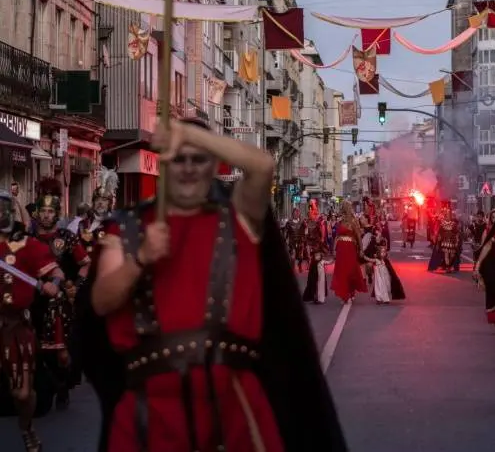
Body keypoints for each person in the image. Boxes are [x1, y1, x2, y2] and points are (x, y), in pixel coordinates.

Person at [73, 118, 346, 452]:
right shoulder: (128, 228)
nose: (188, 168)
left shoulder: (239, 217)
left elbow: (262, 166)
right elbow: (101, 302)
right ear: (164, 162)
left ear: (215, 164)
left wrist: (186, 133)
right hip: (151, 410)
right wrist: (141, 258)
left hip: (233, 404)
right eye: (179, 159)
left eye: (199, 158)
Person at [0, 189, 64, 451]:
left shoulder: (27, 245)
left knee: (23, 394)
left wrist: (55, 284)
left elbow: (57, 272)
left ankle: (26, 427)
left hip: (15, 326)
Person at [29, 177, 91, 410]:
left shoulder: (66, 237)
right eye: (42, 211)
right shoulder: (30, 239)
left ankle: (63, 383)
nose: (45, 215)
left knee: (61, 353)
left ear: (56, 213)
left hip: (60, 300)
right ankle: (47, 386)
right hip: (35, 298)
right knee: (36, 348)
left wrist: (77, 284)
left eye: (49, 211)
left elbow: (85, 263)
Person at [330, 201, 368, 303]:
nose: (344, 209)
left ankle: (351, 292)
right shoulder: (340, 221)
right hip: (341, 249)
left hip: (350, 248)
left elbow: (358, 236)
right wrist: (334, 249)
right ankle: (344, 295)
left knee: (351, 271)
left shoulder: (354, 221)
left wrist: (361, 250)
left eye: (345, 207)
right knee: (342, 272)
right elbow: (337, 237)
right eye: (343, 207)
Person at [77, 167, 119, 256]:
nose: (100, 203)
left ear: (109, 203)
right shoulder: (83, 223)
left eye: (104, 200)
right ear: (93, 202)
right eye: (97, 200)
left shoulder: (113, 223)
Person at [302, 213, 328, 304]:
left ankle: (318, 295)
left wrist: (321, 248)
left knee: (319, 272)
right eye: (311, 214)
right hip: (312, 249)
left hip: (318, 249)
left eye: (314, 214)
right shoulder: (306, 225)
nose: (313, 216)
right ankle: (315, 295)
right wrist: (308, 252)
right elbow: (305, 238)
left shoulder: (318, 224)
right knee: (313, 274)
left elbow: (322, 236)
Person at [284, 208, 307, 273]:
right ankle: (292, 268)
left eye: (297, 213)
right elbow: (286, 231)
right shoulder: (289, 222)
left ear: (299, 214)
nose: (296, 214)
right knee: (293, 256)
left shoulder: (302, 222)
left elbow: (306, 230)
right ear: (292, 214)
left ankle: (299, 265)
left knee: (300, 256)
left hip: (300, 241)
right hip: (292, 241)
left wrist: (304, 237)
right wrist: (286, 239)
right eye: (295, 213)